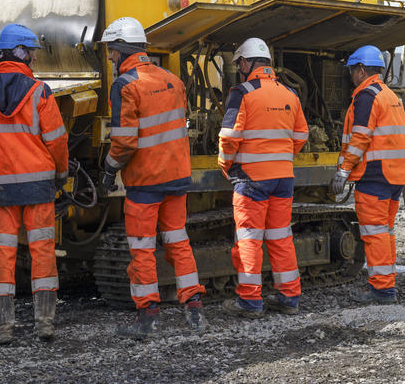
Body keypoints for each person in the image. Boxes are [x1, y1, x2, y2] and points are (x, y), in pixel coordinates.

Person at [0, 23, 68, 344]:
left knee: (3, 255)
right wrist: (61, 173)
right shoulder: (40, 93)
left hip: (1, 189)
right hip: (38, 188)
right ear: (20, 53)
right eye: (31, 53)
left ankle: (4, 327)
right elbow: (57, 141)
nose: (33, 59)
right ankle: (44, 322)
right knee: (42, 252)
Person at [100, 17, 207, 338]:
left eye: (109, 51)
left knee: (142, 248)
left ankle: (147, 318)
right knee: (178, 242)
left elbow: (125, 141)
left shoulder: (125, 85)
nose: (108, 57)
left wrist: (108, 169)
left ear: (120, 50)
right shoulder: (173, 80)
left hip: (145, 183)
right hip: (176, 179)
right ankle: (196, 314)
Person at [218, 37, 309, 318]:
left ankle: (250, 301)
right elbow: (302, 135)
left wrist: (226, 166)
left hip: (252, 179)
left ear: (246, 63)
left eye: (239, 64)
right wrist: (280, 157)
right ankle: (289, 298)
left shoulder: (241, 92)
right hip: (283, 178)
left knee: (249, 240)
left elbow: (229, 136)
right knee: (281, 238)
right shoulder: (290, 93)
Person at [330, 45, 405, 304]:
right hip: (394, 177)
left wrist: (343, 170)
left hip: (375, 177)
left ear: (361, 70)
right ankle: (386, 283)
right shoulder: (389, 95)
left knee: (374, 233)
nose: (351, 77)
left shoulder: (366, 96)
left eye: (352, 71)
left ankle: (382, 290)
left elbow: (360, 137)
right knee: (385, 232)